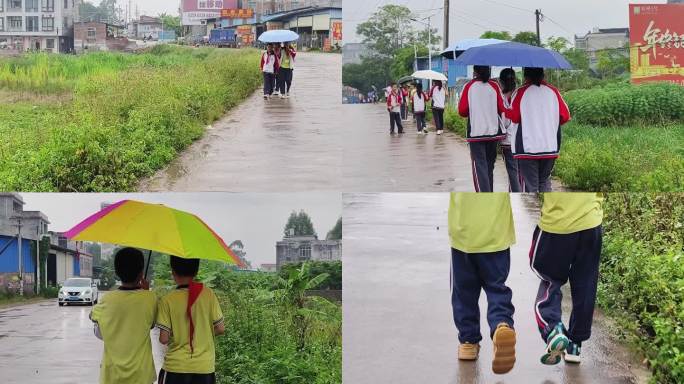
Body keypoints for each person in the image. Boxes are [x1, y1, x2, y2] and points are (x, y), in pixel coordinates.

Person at [529, 193, 603, 365]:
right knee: (586, 283)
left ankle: (553, 329)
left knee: (549, 277)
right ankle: (575, 346)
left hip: (557, 223)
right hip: (591, 222)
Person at [449, 193, 517, 374]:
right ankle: (501, 324)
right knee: (497, 288)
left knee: (463, 292)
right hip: (496, 234)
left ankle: (468, 343)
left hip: (463, 234)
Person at [90, 247, 157, 384]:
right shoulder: (150, 298)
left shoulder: (106, 299)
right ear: (141, 273)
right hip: (142, 375)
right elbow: (151, 325)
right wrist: (145, 292)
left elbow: (95, 324)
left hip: (112, 376)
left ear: (117, 272)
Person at [156, 256, 225, 384]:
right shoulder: (208, 294)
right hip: (204, 368)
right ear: (196, 271)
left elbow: (163, 339)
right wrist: (202, 335)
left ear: (173, 272)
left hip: (176, 368)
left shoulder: (167, 300)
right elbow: (220, 328)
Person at [506, 67, 571, 192]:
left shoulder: (520, 92)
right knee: (544, 182)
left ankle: (532, 212)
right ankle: (546, 210)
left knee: (531, 187)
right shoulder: (554, 92)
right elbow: (565, 116)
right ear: (543, 75)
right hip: (549, 147)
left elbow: (514, 117)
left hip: (527, 149)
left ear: (526, 76)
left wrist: (508, 104)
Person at [458, 66, 507, 193]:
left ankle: (484, 197)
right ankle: (489, 193)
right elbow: (502, 108)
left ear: (475, 71)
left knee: (480, 167)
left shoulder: (469, 87)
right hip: (493, 133)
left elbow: (462, 111)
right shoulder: (495, 86)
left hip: (476, 133)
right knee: (489, 166)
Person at [498, 68, 521, 192]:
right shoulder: (521, 95)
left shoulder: (501, 98)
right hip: (522, 141)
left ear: (501, 81)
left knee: (513, 174)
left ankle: (516, 199)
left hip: (507, 141)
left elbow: (504, 121)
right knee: (520, 174)